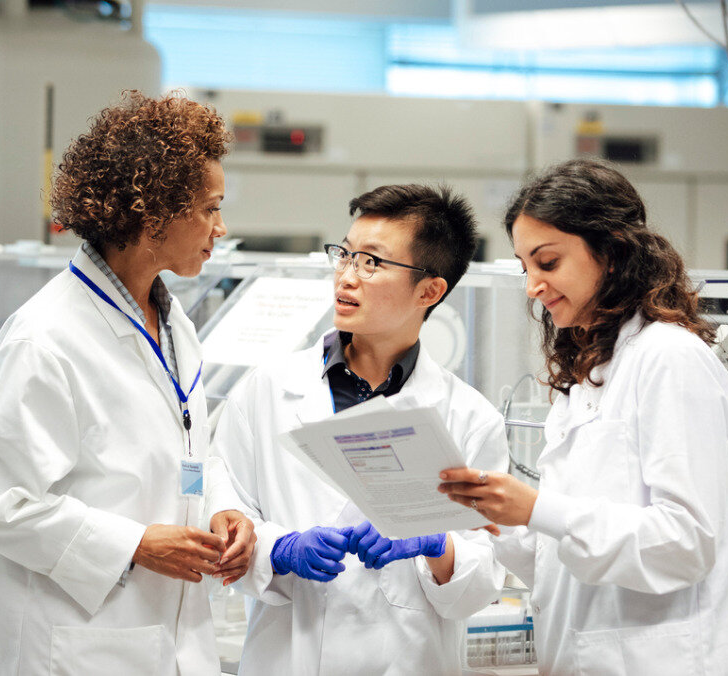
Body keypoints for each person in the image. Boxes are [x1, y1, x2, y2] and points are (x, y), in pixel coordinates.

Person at [0, 92, 256, 676]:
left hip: (168, 634)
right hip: (73, 643)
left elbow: (189, 449)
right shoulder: (45, 338)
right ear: (153, 212)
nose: (221, 228)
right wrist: (134, 544)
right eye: (209, 209)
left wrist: (224, 508)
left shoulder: (174, 324)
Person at [438, 159, 728, 675]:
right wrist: (488, 517)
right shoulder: (590, 374)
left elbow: (686, 542)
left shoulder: (669, 357)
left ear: (611, 252)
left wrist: (537, 508)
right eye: (525, 268)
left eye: (548, 262)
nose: (532, 286)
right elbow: (564, 556)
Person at [206, 184, 510, 675]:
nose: (346, 276)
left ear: (430, 291)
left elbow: (484, 580)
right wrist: (278, 550)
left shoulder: (470, 418)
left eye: (371, 262)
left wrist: (437, 544)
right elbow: (221, 517)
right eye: (345, 255)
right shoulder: (267, 390)